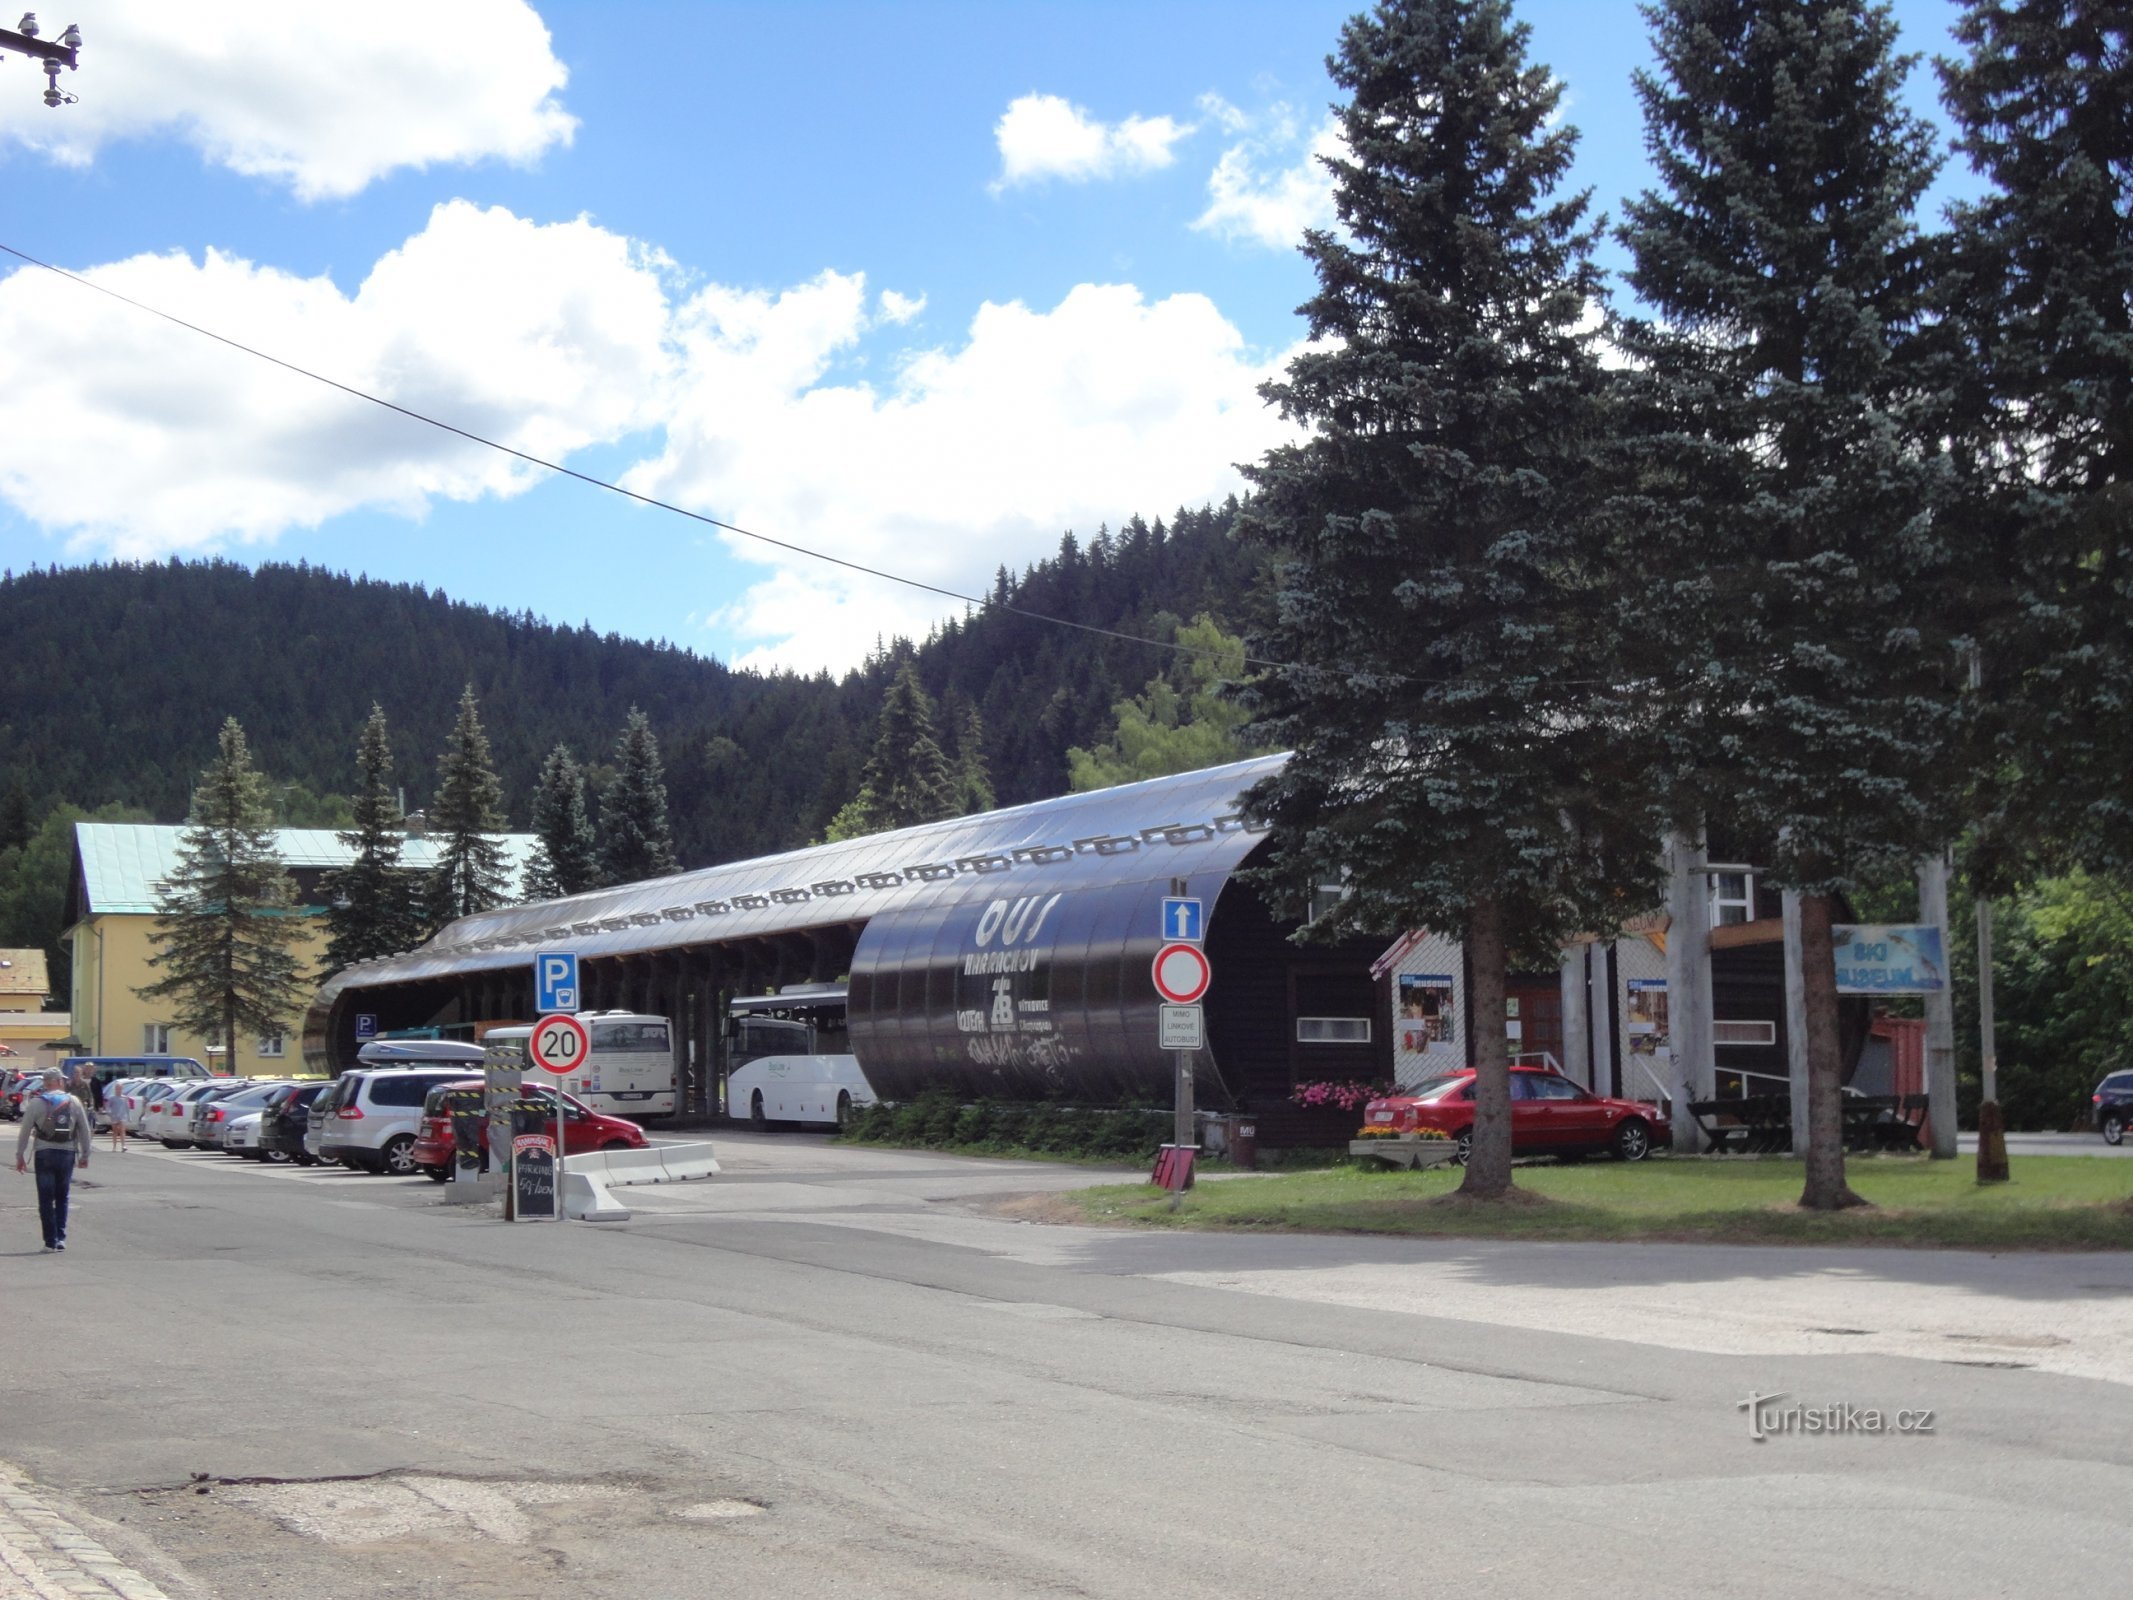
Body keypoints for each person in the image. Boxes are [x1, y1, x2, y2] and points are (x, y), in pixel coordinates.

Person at [15, 1068, 92, 1251]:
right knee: (62, 1196)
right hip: (67, 1153)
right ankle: (61, 1238)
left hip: (44, 1153)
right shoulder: (73, 1101)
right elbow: (84, 1129)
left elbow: (25, 1130)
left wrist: (20, 1156)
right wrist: (85, 1155)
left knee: (45, 1198)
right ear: (59, 1081)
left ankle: (49, 1241)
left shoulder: (36, 1103)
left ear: (45, 1083)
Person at [102, 1075, 129, 1152]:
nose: (119, 1090)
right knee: (115, 1132)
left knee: (122, 1130)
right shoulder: (112, 1098)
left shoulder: (124, 1098)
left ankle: (123, 1145)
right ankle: (114, 1146)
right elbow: (108, 1107)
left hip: (122, 1117)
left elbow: (127, 1108)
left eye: (120, 1088)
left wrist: (128, 1117)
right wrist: (109, 1113)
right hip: (114, 1116)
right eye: (117, 1088)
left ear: (122, 1089)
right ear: (115, 1089)